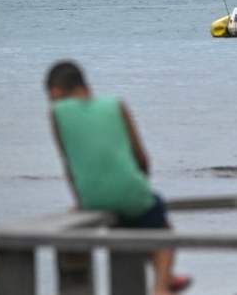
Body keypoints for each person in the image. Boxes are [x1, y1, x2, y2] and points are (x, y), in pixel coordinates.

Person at [45, 60, 191, 295]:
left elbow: (69, 165)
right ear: (86, 87)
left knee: (132, 220)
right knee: (161, 227)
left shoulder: (56, 114)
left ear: (55, 91)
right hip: (129, 193)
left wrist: (81, 201)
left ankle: (169, 279)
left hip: (91, 198)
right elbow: (141, 157)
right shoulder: (116, 105)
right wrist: (142, 183)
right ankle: (161, 287)